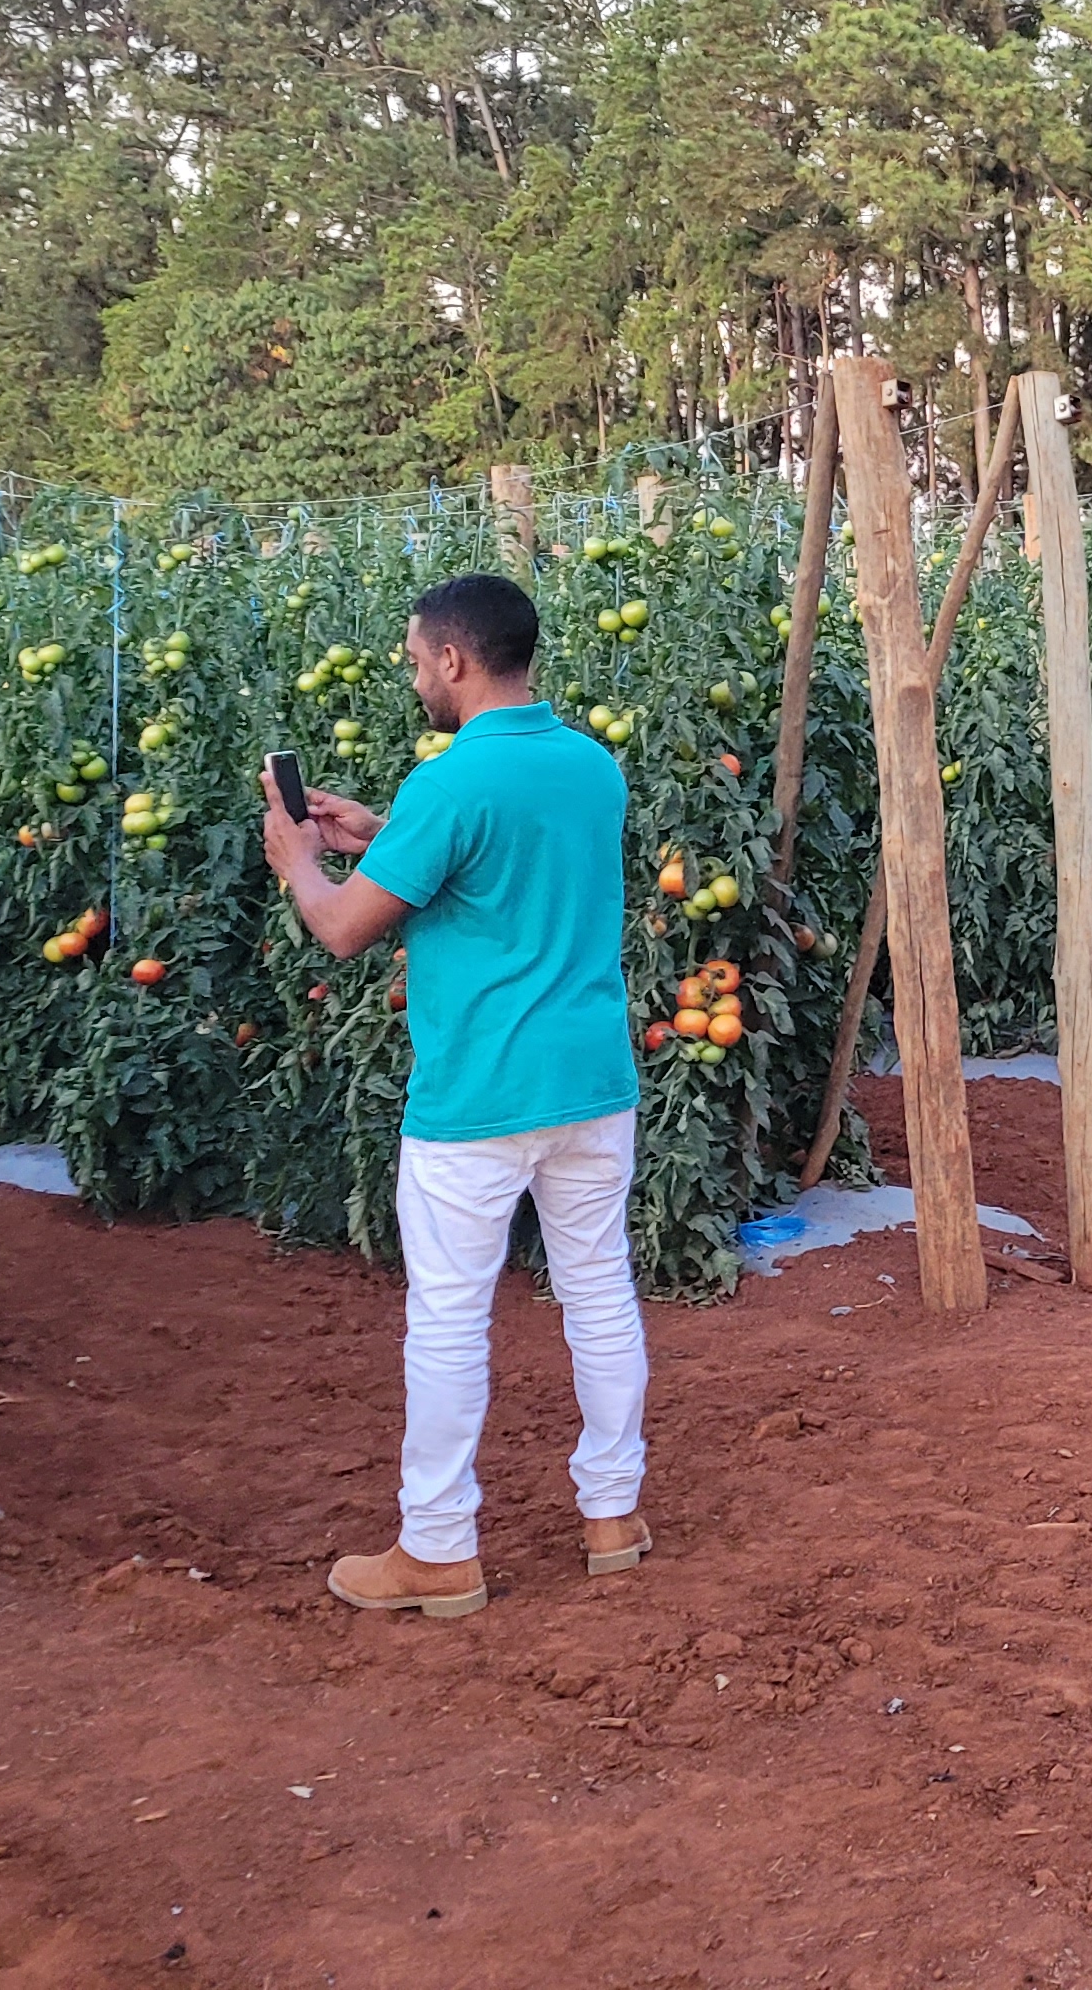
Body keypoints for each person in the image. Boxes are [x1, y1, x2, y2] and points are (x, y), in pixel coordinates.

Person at [263, 573, 650, 1619]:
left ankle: (438, 1548)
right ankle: (612, 1515)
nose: (413, 674)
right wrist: (384, 832)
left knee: (447, 1319)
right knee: (599, 1294)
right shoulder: (588, 766)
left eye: (415, 657)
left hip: (480, 1094)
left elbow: (344, 929)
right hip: (591, 1083)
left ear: (455, 660)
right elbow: (505, 860)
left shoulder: (451, 784)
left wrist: (304, 861)